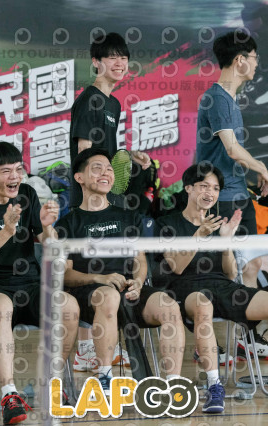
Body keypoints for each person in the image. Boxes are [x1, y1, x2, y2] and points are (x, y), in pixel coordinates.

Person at [156, 162, 268, 414]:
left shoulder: (217, 223)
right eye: (204, 186)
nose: (210, 193)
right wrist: (199, 235)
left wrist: (226, 242)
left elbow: (230, 273)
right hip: (186, 288)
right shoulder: (167, 224)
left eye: (215, 188)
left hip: (222, 286)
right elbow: (177, 267)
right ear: (188, 188)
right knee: (203, 304)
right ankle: (214, 385)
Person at [0, 142, 79, 425]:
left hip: (30, 284)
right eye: (6, 171)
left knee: (68, 306)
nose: (15, 177)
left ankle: (52, 384)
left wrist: (47, 225)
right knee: (1, 308)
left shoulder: (27, 195)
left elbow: (51, 247)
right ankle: (9, 394)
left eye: (19, 170)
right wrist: (7, 230)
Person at [55, 147, 185, 393]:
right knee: (109, 296)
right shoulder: (67, 224)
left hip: (128, 291)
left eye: (109, 169)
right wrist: (99, 278)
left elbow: (139, 259)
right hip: (90, 294)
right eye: (97, 168)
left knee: (169, 307)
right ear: (79, 177)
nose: (105, 173)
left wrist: (138, 281)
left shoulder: (129, 217)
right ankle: (105, 378)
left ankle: (173, 385)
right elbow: (66, 274)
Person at [195, 30, 268, 361]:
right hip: (222, 198)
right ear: (240, 60)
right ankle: (217, 344)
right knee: (227, 270)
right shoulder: (218, 98)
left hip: (235, 194)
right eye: (255, 58)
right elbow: (231, 149)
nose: (257, 65)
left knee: (250, 264)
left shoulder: (227, 99)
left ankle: (245, 338)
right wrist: (262, 168)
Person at [69, 32, 151, 370]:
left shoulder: (113, 103)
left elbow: (106, 152)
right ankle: (85, 350)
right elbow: (84, 152)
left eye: (124, 58)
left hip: (107, 195)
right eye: (112, 57)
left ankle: (97, 347)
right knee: (88, 269)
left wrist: (129, 158)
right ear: (96, 62)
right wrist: (93, 190)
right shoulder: (90, 100)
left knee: (107, 266)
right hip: (88, 200)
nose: (120, 64)